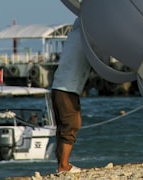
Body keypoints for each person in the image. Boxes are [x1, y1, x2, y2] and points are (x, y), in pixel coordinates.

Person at [51, 17, 92, 173]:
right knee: (72, 125)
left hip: (58, 87)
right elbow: (101, 58)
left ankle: (61, 164)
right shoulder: (86, 38)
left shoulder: (73, 37)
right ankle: (64, 166)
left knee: (63, 127)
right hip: (67, 89)